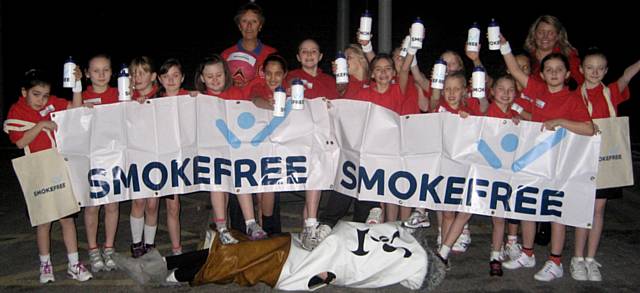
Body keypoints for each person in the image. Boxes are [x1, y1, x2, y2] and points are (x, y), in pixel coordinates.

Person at [112, 213, 446, 292]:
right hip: (292, 248)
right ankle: (165, 269)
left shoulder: (385, 262)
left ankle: (159, 272)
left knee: (229, 257)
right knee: (233, 251)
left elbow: (326, 276)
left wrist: (312, 279)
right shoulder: (393, 239)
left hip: (287, 263)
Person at [499, 35, 595, 282]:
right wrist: (504, 45)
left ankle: (555, 261)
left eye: (559, 70)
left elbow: (589, 128)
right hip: (533, 162)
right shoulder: (538, 90)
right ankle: (527, 253)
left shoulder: (573, 99)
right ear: (541, 75)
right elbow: (513, 69)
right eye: (549, 70)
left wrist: (561, 122)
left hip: (561, 166)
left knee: (555, 214)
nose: (553, 73)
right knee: (528, 208)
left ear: (567, 75)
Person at [3, 69, 92, 283]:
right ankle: (45, 265)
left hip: (59, 168)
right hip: (38, 170)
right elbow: (20, 141)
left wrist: (77, 85)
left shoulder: (51, 103)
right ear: (24, 91)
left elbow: (75, 109)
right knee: (43, 220)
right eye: (36, 94)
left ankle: (74, 264)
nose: (41, 100)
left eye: (45, 95)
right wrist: (41, 125)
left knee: (67, 217)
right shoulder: (17, 111)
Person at [570, 48, 640, 282]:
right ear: (581, 69)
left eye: (600, 68)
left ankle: (591, 259)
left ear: (606, 71)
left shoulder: (611, 92)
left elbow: (628, 75)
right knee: (583, 209)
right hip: (582, 159)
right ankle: (577, 258)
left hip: (607, 159)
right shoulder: (574, 95)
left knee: (598, 210)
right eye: (589, 67)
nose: (595, 72)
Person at [194, 54, 267, 244]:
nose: (215, 80)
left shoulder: (236, 94)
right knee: (218, 186)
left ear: (226, 74)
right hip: (213, 152)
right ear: (202, 78)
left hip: (236, 149)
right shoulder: (198, 98)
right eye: (210, 76)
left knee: (243, 181)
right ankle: (222, 227)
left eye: (219, 75)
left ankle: (251, 223)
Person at [80, 54, 120, 271]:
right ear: (87, 74)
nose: (101, 75)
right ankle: (93, 250)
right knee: (92, 206)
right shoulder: (81, 97)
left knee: (112, 204)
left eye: (106, 70)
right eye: (96, 70)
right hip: (91, 158)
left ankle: (109, 248)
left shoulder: (120, 93)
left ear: (112, 72)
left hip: (114, 156)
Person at [483, 75, 521, 277]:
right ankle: (444, 251)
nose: (506, 94)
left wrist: (518, 123)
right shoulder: (486, 112)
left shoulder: (516, 116)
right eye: (501, 89)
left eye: (510, 90)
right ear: (492, 91)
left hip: (505, 175)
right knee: (465, 212)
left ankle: (495, 256)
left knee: (500, 218)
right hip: (485, 171)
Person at [155, 58, 190, 255]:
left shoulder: (191, 98)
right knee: (172, 207)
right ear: (159, 79)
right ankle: (176, 249)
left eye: (175, 75)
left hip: (187, 159)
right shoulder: (153, 102)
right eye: (166, 76)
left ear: (182, 78)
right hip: (164, 161)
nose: (171, 80)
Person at [128, 56, 161, 258]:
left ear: (153, 76)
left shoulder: (162, 96)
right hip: (136, 156)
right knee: (138, 202)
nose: (137, 77)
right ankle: (136, 243)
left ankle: (149, 243)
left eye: (142, 72)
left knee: (152, 204)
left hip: (157, 157)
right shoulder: (124, 98)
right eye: (133, 73)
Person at [222, 2, 277, 88]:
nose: (249, 26)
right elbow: (216, 87)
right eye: (244, 21)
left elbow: (281, 84)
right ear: (239, 26)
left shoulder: (272, 54)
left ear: (260, 26)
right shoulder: (226, 55)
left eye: (254, 21)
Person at [523, 15, 583, 86]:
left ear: (557, 36)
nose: (545, 37)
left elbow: (579, 81)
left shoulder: (568, 55)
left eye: (550, 33)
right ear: (534, 34)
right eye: (541, 32)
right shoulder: (524, 56)